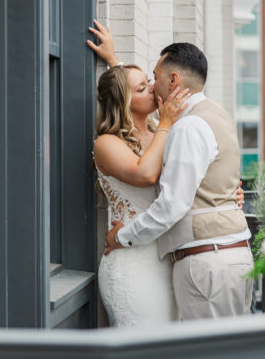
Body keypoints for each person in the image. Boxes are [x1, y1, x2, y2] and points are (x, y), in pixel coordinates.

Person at [87, 21, 245, 326]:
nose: (154, 89)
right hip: (133, 256)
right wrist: (114, 64)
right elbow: (145, 174)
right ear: (124, 99)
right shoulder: (110, 142)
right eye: (144, 87)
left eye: (152, 81)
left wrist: (225, 194)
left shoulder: (166, 127)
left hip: (166, 254)